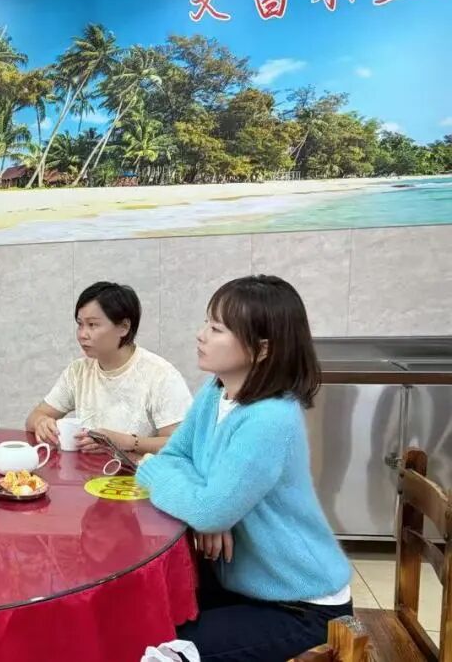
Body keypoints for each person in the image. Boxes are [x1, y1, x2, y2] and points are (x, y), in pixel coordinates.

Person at [136, 275, 352, 661]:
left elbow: (205, 506)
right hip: (242, 583)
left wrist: (151, 471)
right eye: (206, 322)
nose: (201, 334)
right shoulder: (216, 391)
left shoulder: (270, 418)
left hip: (300, 606)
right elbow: (178, 457)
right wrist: (211, 508)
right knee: (142, 618)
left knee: (159, 651)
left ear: (262, 348)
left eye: (217, 328)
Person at [25, 281, 191, 455]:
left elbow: (183, 444)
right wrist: (41, 422)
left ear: (124, 327)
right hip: (87, 469)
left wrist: (128, 442)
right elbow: (34, 417)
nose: (82, 334)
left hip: (139, 471)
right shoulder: (78, 371)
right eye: (80, 324)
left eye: (92, 325)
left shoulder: (160, 374)